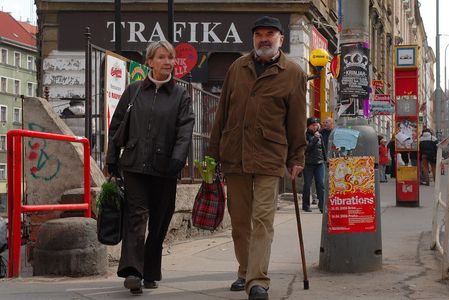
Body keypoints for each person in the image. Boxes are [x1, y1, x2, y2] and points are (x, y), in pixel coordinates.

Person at [206, 16, 307, 300]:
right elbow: (222, 113)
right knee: (239, 220)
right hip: (235, 154)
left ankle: (257, 281)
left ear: (281, 39)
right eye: (259, 34)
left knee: (262, 219)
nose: (264, 38)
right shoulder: (237, 68)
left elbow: (297, 121)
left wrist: (297, 156)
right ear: (253, 39)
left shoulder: (293, 73)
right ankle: (245, 269)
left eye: (270, 34)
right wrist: (212, 154)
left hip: (269, 156)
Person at [106, 41, 195, 294]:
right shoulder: (134, 90)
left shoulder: (181, 96)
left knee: (160, 221)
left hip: (166, 167)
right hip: (134, 165)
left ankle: (151, 270)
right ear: (149, 62)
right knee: (136, 217)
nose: (167, 62)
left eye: (170, 58)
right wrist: (112, 157)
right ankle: (133, 271)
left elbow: (184, 130)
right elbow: (117, 125)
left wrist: (178, 158)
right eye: (161, 57)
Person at [302, 117, 326, 213]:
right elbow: (307, 149)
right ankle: (306, 205)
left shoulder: (319, 135)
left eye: (316, 125)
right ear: (308, 126)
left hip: (319, 163)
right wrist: (315, 139)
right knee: (307, 184)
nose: (315, 126)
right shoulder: (305, 136)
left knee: (321, 184)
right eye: (313, 125)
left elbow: (322, 148)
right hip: (308, 164)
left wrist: (325, 159)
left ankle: (322, 206)